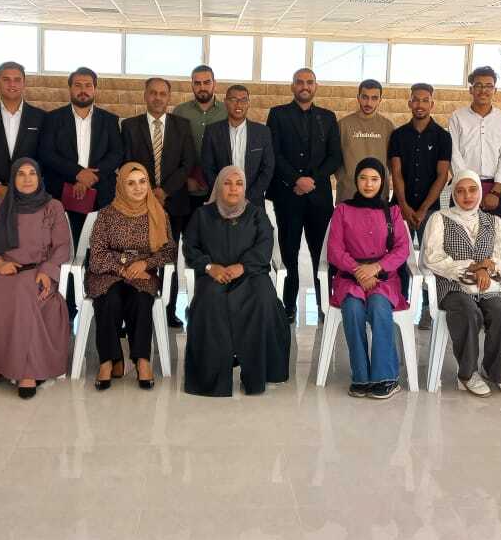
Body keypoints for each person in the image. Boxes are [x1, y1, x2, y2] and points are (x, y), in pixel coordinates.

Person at [183, 166, 289, 396]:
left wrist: (243, 266)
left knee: (263, 300)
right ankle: (212, 379)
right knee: (209, 301)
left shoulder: (257, 214)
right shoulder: (202, 215)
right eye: (227, 183)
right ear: (218, 186)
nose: (233, 189)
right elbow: (190, 247)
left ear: (244, 188)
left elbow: (265, 245)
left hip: (251, 275)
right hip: (214, 276)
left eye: (239, 184)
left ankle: (255, 375)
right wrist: (210, 267)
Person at [0, 159, 71, 399]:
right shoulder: (0, 208)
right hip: (6, 270)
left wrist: (48, 270)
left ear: (39, 178)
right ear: (13, 179)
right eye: (21, 174)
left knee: (24, 294)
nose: (27, 179)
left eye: (32, 173)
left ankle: (27, 372)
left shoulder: (53, 206)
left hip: (38, 271)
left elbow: (63, 246)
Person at [423, 170, 501, 397]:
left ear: (480, 191)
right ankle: (467, 373)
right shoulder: (440, 218)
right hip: (453, 286)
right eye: (460, 191)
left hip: (488, 287)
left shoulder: (494, 222)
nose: (467, 196)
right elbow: (432, 257)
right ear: (453, 194)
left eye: (473, 190)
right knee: (468, 312)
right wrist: (472, 267)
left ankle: (493, 369)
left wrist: (488, 267)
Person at [38, 67, 123, 314]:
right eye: (78, 85)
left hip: (101, 197)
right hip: (63, 196)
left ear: (95, 89)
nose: (83, 90)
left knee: (100, 248)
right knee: (66, 248)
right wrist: (77, 173)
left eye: (88, 85)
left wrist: (90, 177)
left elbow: (117, 153)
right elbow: (46, 153)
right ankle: (69, 304)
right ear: (70, 88)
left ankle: (100, 301)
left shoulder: (109, 119)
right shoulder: (52, 119)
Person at [85, 162, 176, 391]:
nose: (138, 188)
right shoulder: (106, 215)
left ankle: (141, 360)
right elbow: (97, 255)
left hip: (143, 274)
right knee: (110, 300)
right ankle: (109, 360)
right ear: (121, 186)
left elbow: (169, 251)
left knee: (140, 300)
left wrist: (145, 263)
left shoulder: (159, 213)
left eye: (143, 182)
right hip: (108, 273)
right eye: (131, 183)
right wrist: (123, 268)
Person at [327, 158, 411, 399]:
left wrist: (376, 267)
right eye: (363, 178)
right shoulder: (342, 210)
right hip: (349, 277)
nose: (368, 184)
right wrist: (357, 270)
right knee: (353, 309)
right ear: (356, 180)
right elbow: (335, 250)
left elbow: (402, 249)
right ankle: (361, 376)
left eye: (374, 179)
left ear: (382, 182)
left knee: (378, 306)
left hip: (384, 278)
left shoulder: (392, 212)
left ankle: (386, 377)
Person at [266, 68, 342, 322]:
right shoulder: (277, 114)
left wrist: (312, 180)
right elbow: (274, 153)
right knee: (289, 252)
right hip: (287, 195)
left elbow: (334, 157)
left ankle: (325, 305)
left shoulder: (327, 117)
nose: (304, 86)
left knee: (322, 253)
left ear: (316, 86)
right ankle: (289, 306)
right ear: (293, 86)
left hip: (319, 198)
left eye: (309, 82)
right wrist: (296, 180)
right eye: (299, 82)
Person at [121, 77, 195, 327]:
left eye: (163, 93)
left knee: (169, 257)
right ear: (145, 95)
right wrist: (148, 193)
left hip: (174, 204)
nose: (157, 98)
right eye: (153, 93)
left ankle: (169, 309)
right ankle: (136, 311)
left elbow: (187, 163)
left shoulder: (182, 125)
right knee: (138, 255)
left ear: (169, 97)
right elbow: (127, 163)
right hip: (138, 204)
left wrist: (164, 191)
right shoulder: (130, 126)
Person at [0, 61, 43, 214]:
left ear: (24, 83)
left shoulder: (40, 116)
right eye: (6, 79)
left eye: (17, 80)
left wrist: (28, 184)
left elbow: (42, 156)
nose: (12, 84)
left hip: (29, 193)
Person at [448, 66, 501, 220]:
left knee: (492, 233)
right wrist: (467, 188)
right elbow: (454, 154)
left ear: (495, 90)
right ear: (471, 90)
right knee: (460, 231)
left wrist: (496, 192)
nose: (483, 90)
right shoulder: (457, 117)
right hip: (463, 187)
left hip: (494, 189)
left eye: (489, 86)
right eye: (478, 85)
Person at [389, 82, 452, 239]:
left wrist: (424, 208)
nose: (420, 105)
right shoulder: (398, 135)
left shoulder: (443, 137)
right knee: (398, 253)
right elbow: (396, 172)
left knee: (431, 253)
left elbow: (442, 175)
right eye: (416, 100)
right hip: (400, 208)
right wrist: (404, 206)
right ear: (410, 103)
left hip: (430, 210)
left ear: (432, 104)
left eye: (425, 100)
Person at [201, 84, 274, 207]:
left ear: (248, 103)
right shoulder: (212, 131)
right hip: (221, 200)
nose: (238, 104)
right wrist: (225, 194)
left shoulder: (262, 132)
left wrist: (248, 197)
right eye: (233, 99)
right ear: (225, 102)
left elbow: (268, 168)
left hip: (253, 203)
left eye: (243, 100)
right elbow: (207, 167)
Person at [173, 65, 227, 212]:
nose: (202, 87)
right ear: (192, 85)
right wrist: (184, 180)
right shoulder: (180, 112)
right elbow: (172, 151)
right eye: (197, 83)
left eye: (207, 82)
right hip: (186, 186)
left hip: (219, 186)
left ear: (214, 83)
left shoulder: (227, 112)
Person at [336, 79, 395, 203]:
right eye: (365, 97)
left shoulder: (388, 126)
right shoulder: (343, 125)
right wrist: (344, 178)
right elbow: (334, 158)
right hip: (348, 195)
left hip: (379, 196)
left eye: (374, 98)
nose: (368, 102)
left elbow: (392, 163)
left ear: (380, 100)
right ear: (358, 97)